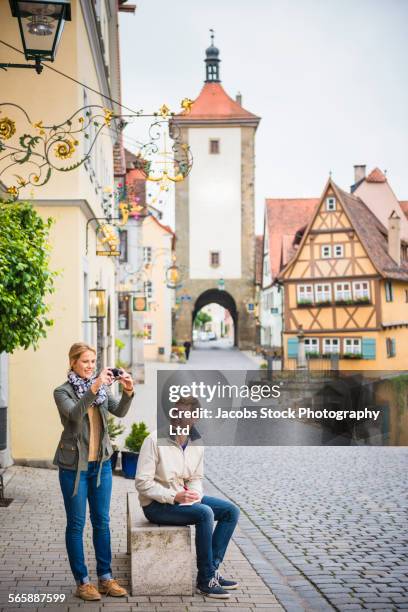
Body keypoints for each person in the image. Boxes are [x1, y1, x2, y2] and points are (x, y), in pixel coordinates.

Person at [135, 395, 240, 600]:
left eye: (183, 416)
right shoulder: (154, 440)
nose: (177, 419)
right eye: (175, 414)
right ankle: (205, 581)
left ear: (195, 418)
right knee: (205, 513)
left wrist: (194, 495)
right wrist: (175, 496)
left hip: (182, 500)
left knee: (231, 511)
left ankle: (212, 570)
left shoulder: (197, 443)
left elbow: (196, 477)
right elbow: (142, 483)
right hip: (156, 506)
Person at [53, 342, 134, 601]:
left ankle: (106, 578)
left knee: (102, 522)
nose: (90, 366)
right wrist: (95, 385)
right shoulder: (62, 392)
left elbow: (118, 411)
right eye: (85, 361)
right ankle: (83, 581)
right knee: (76, 525)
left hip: (101, 466)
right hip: (73, 468)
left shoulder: (99, 391)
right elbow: (75, 415)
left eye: (93, 361)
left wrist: (128, 392)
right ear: (73, 362)